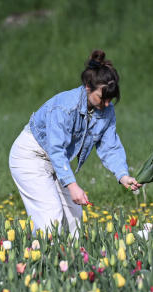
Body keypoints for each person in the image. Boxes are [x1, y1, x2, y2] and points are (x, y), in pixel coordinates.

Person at [9, 49, 142, 235]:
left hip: (55, 162)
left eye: (110, 100)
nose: (106, 105)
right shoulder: (65, 107)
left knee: (74, 217)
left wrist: (123, 175)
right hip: (31, 157)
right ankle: (40, 261)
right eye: (101, 98)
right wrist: (72, 186)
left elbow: (109, 146)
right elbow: (56, 149)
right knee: (50, 217)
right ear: (88, 87)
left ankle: (74, 261)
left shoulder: (106, 110)